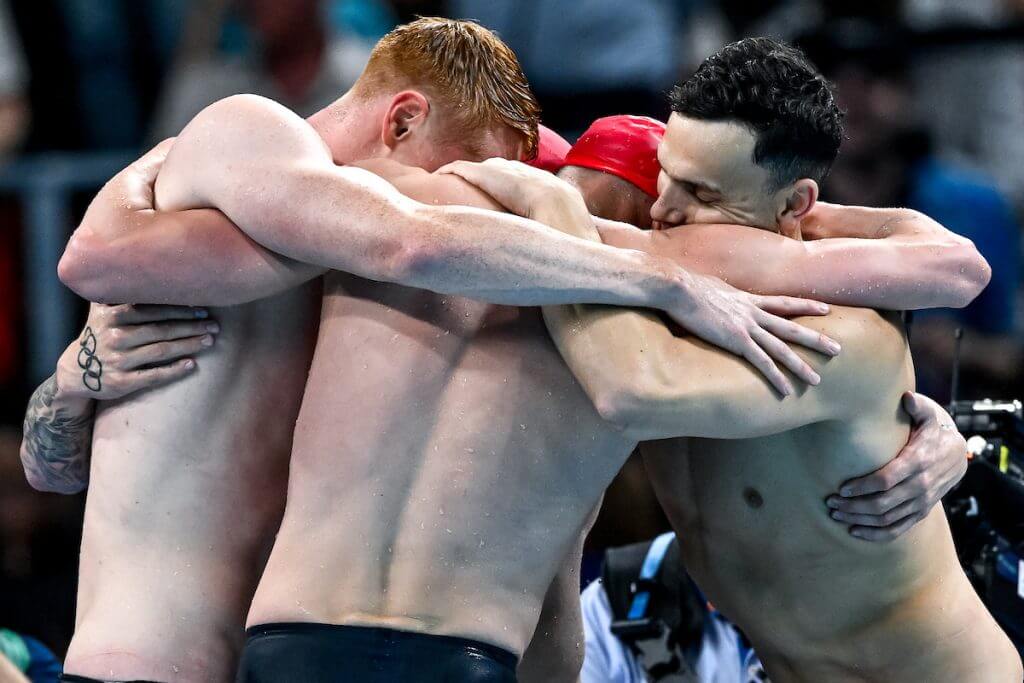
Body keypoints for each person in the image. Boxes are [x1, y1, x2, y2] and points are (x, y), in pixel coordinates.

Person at [48, 18, 827, 683]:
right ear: (401, 122)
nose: (463, 198)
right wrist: (665, 281)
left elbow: (55, 455)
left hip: (268, 653)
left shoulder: (328, 273)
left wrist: (922, 421)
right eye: (459, 174)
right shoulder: (254, 136)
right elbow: (89, 259)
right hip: (143, 663)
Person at [458, 38, 1016, 681]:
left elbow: (634, 390)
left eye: (701, 193)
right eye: (666, 175)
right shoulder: (653, 301)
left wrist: (560, 231)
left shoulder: (841, 333)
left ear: (795, 207)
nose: (666, 211)